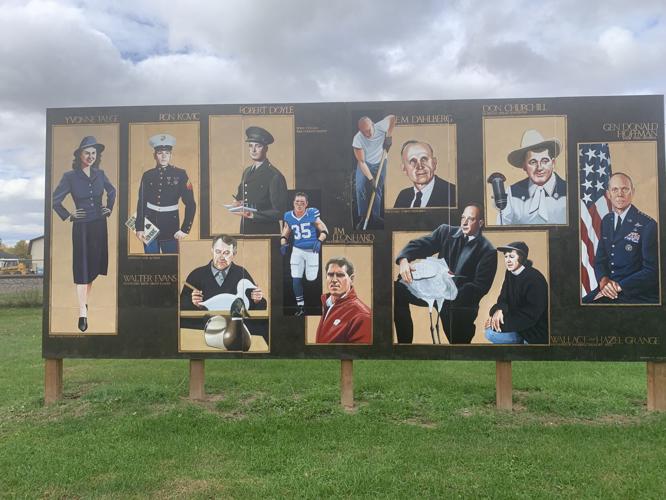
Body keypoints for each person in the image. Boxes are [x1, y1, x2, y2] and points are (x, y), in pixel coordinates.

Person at [394, 203, 497, 344]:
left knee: (459, 347)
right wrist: (404, 259)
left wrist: (449, 293)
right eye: (463, 218)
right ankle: (403, 347)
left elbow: (480, 286)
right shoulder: (445, 232)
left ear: (480, 223)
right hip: (435, 292)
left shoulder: (488, 251)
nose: (464, 222)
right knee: (397, 290)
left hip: (460, 303)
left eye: (470, 219)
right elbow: (422, 245)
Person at [52, 136, 116, 332]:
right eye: (87, 152)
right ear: (80, 155)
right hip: (81, 227)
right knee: (82, 268)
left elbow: (112, 191)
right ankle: (82, 312)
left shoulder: (100, 174)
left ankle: (84, 302)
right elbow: (55, 200)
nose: (90, 156)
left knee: (93, 269)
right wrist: (69, 215)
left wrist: (109, 208)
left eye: (94, 153)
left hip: (99, 225)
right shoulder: (69, 177)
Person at [583, 172, 659, 304]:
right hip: (608, 288)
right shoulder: (606, 221)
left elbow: (651, 271)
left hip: (634, 292)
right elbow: (600, 260)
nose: (620, 194)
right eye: (615, 189)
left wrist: (618, 287)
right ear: (608, 194)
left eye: (625, 189)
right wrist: (603, 281)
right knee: (576, 306)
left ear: (632, 192)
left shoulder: (648, 224)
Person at [180, 235, 268, 340]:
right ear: (212, 250)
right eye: (218, 252)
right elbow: (181, 305)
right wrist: (193, 303)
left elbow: (254, 309)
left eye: (226, 253)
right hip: (205, 327)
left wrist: (258, 300)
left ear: (234, 254)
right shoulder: (197, 274)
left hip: (234, 329)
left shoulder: (241, 273)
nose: (221, 257)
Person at [135, 133, 196, 253]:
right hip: (149, 225)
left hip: (171, 226)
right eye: (160, 153)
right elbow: (141, 203)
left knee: (171, 264)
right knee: (151, 263)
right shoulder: (147, 175)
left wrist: (184, 229)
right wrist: (139, 227)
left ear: (171, 155)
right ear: (154, 155)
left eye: (167, 153)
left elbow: (191, 203)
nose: (163, 156)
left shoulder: (180, 174)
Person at [494, 129, 566, 225]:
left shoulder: (568, 191)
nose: (539, 168)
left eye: (544, 161)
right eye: (533, 162)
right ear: (524, 166)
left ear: (553, 163)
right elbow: (502, 229)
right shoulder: (512, 193)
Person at [484, 242, 548, 344]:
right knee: (489, 332)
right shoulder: (510, 273)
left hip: (534, 331)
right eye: (506, 256)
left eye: (512, 256)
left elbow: (531, 314)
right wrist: (499, 310)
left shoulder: (534, 278)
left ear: (521, 258)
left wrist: (499, 324)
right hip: (517, 325)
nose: (508, 260)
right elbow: (503, 298)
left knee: (491, 333)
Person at [232, 126, 289, 234]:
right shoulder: (247, 171)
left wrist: (253, 215)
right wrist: (237, 202)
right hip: (246, 228)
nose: (253, 150)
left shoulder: (274, 175)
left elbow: (280, 212)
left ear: (266, 148)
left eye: (258, 146)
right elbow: (242, 196)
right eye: (250, 146)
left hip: (266, 231)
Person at [281, 192, 329, 316]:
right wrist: (283, 243)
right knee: (296, 278)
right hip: (297, 250)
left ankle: (318, 304)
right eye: (297, 202)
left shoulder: (312, 213)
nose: (299, 204)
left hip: (312, 251)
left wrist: (319, 240)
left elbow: (325, 230)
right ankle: (301, 307)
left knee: (311, 279)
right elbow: (285, 232)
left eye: (302, 202)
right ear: (293, 203)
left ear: (307, 204)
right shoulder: (288, 216)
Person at [352, 114, 396, 227]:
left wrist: (389, 136)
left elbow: (392, 118)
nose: (367, 134)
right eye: (363, 132)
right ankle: (362, 217)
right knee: (360, 187)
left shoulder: (380, 126)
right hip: (365, 164)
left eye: (368, 130)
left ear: (372, 125)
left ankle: (376, 217)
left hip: (381, 161)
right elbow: (361, 162)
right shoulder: (357, 139)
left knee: (377, 189)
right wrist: (371, 179)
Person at [315, 257, 372, 344]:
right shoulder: (327, 303)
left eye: (340, 275)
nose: (334, 280)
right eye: (330, 275)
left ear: (351, 279)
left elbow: (360, 355)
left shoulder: (362, 315)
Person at [393, 140, 456, 208]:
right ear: (404, 169)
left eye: (424, 159)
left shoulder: (452, 193)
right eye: (413, 161)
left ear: (434, 163)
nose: (420, 166)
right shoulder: (403, 196)